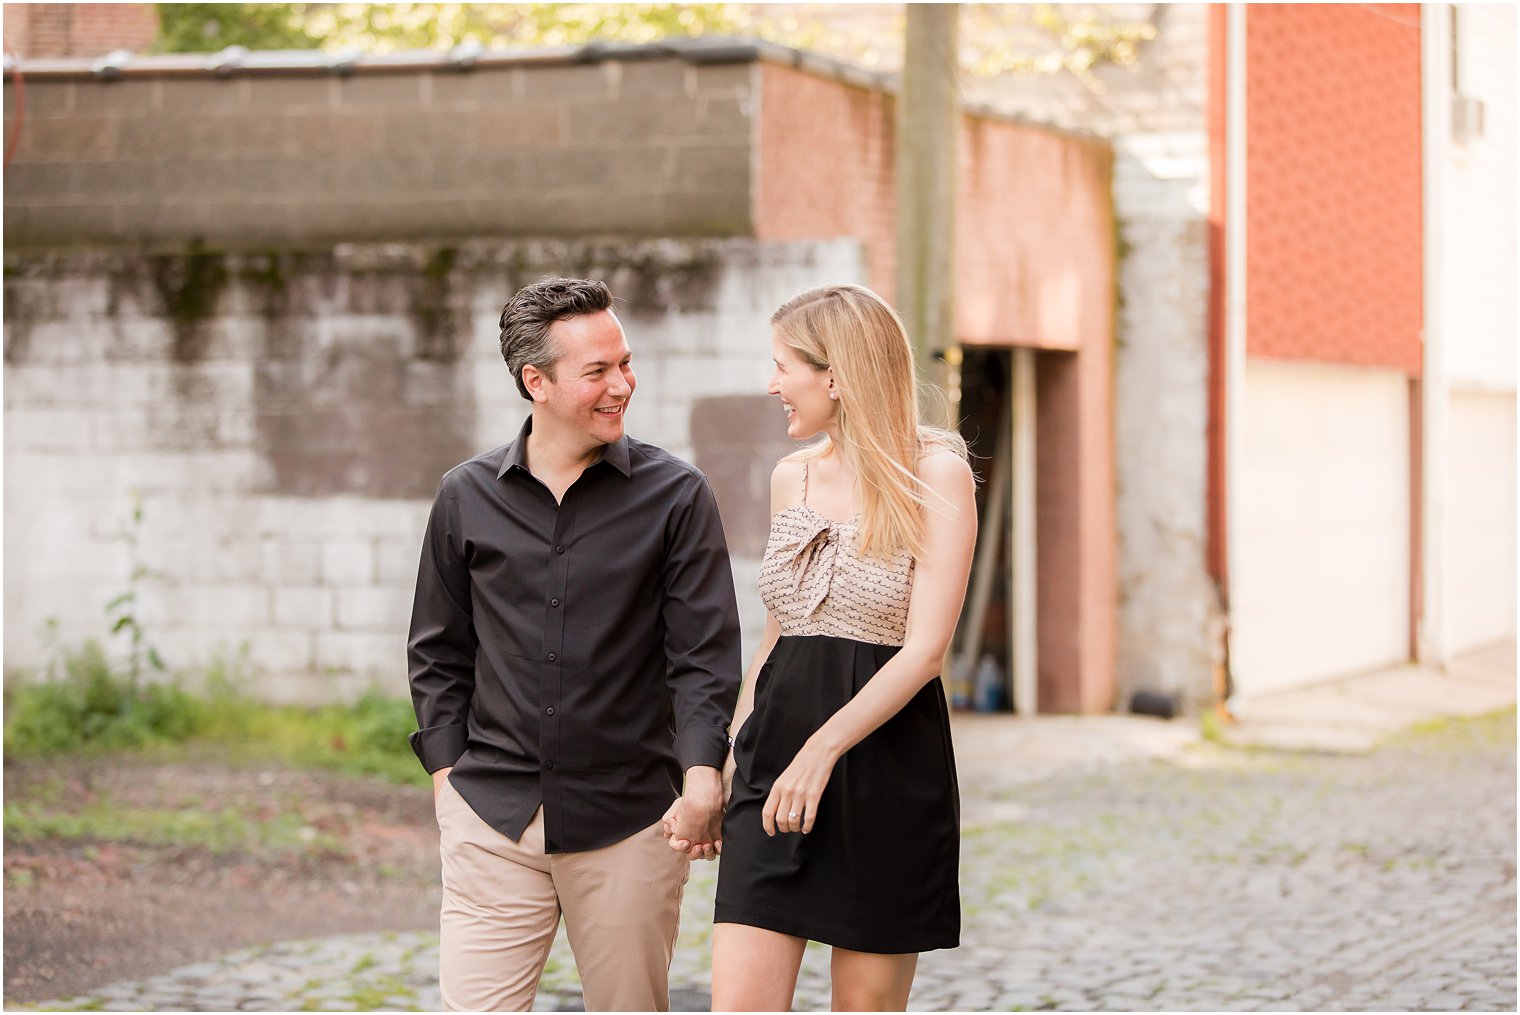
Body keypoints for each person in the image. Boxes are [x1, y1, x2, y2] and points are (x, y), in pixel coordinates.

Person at [408, 277, 741, 1012]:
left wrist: (701, 772)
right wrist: (447, 783)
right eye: (598, 370)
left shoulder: (677, 497)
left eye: (624, 362)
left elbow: (703, 657)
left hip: (630, 822)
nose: (622, 384)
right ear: (538, 381)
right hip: (491, 816)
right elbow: (437, 649)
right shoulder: (464, 495)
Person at [672, 284, 977, 1011]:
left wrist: (823, 749)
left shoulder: (936, 472)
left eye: (783, 365)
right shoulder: (792, 475)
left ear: (835, 375)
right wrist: (729, 755)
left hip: (885, 770)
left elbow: (925, 649)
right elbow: (781, 628)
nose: (771, 383)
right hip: (774, 764)